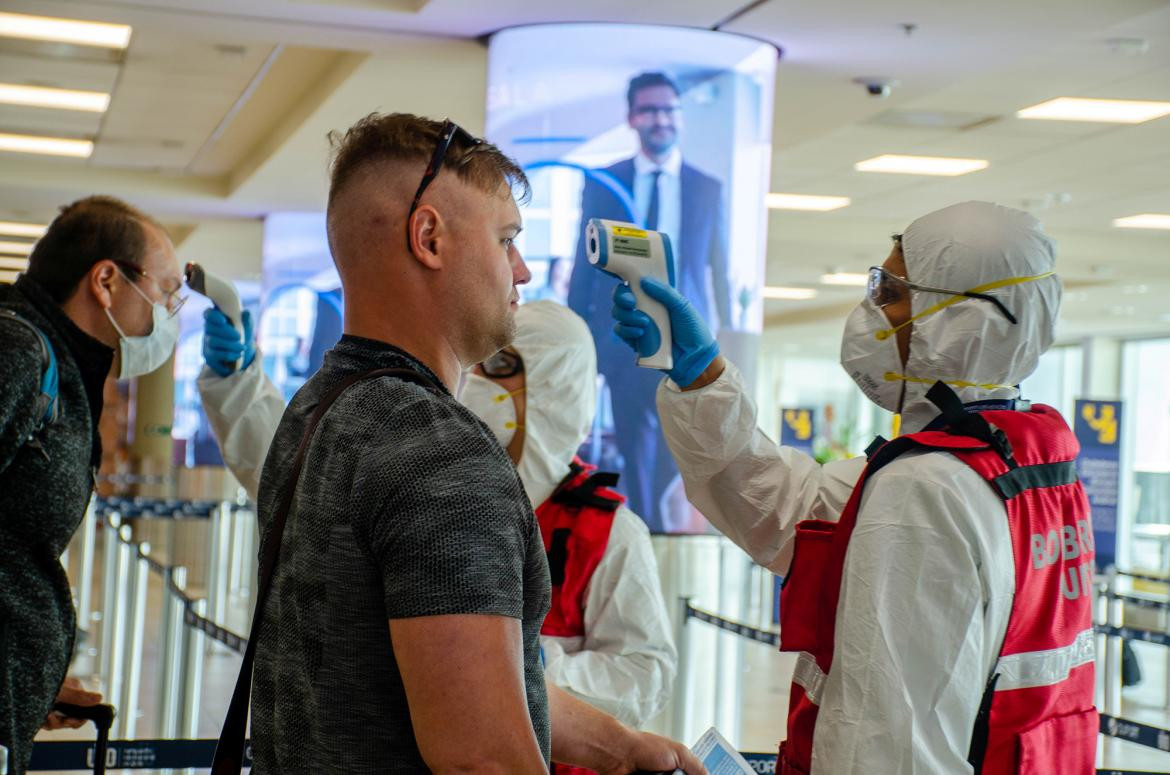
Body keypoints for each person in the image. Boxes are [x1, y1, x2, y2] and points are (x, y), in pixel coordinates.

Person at [233, 112, 700, 774]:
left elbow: (461, 682)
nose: (524, 269)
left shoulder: (316, 411)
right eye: (506, 238)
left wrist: (619, 746)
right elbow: (484, 758)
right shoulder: (442, 454)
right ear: (430, 237)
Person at [611, 201, 1097, 774]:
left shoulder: (925, 487)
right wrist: (702, 377)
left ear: (958, 318)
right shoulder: (1019, 467)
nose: (871, 308)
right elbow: (788, 506)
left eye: (890, 291)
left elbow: (884, 747)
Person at [199, 296, 677, 730]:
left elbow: (644, 674)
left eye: (504, 368)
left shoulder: (606, 533)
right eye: (479, 367)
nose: (480, 384)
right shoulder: (425, 482)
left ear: (555, 389)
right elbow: (298, 474)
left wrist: (530, 664)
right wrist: (237, 384)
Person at [0, 196, 183, 774]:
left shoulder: (56, 362)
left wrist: (28, 678)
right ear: (106, 280)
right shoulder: (20, 352)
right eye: (168, 290)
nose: (169, 312)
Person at [567, 71, 731, 531]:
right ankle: (642, 526)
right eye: (651, 110)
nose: (662, 119)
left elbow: (717, 270)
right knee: (634, 437)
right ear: (633, 118)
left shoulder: (706, 186)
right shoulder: (605, 182)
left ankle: (661, 521)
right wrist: (580, 337)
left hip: (685, 336)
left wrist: (727, 337)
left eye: (669, 109)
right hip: (622, 334)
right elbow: (585, 266)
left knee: (676, 438)